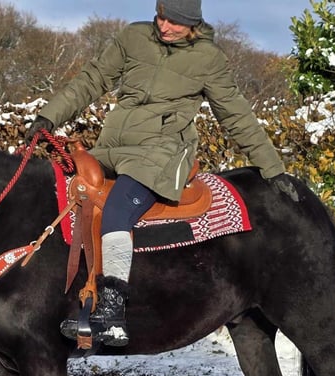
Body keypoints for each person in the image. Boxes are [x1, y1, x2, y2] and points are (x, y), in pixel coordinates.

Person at [26, 0, 298, 347]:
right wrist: (49, 116)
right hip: (111, 148)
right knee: (72, 197)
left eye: (174, 22)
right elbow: (92, 79)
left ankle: (113, 309)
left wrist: (273, 169)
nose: (164, 26)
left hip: (161, 155)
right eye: (161, 17)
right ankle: (76, 298)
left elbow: (235, 115)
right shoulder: (134, 37)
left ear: (193, 24)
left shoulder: (208, 59)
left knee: (118, 209)